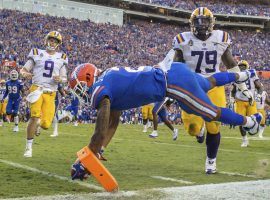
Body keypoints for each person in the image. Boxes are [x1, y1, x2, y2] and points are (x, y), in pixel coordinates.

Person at [69, 62, 262, 180]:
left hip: (173, 84)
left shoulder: (100, 86)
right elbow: (112, 121)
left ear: (88, 78)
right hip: (173, 72)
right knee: (209, 82)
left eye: (80, 88)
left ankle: (250, 122)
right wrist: (98, 151)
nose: (82, 93)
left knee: (211, 113)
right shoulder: (108, 77)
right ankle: (244, 75)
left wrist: (87, 160)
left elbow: (100, 129)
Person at [172, 7, 255, 174]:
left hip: (213, 84)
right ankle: (198, 131)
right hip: (191, 86)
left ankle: (211, 161)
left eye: (205, 21)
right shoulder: (182, 39)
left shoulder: (221, 38)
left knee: (214, 126)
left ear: (212, 23)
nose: (201, 25)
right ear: (191, 24)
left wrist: (243, 87)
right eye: (198, 21)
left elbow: (231, 64)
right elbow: (175, 66)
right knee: (192, 128)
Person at [20, 31, 68, 157]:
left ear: (58, 44)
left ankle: (38, 125)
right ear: (47, 40)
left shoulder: (61, 57)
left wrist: (60, 79)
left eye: (55, 41)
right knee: (34, 116)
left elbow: (64, 78)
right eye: (51, 40)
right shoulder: (37, 53)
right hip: (37, 89)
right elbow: (23, 69)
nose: (52, 42)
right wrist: (25, 74)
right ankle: (28, 147)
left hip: (51, 93)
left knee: (46, 124)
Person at [231, 60, 263, 147]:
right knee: (241, 121)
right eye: (240, 66)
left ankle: (256, 121)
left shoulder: (252, 74)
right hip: (240, 101)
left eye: (243, 66)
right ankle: (244, 140)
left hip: (251, 101)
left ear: (247, 66)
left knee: (254, 123)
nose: (241, 67)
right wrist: (231, 98)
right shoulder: (236, 75)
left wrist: (259, 95)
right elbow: (233, 90)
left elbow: (259, 87)